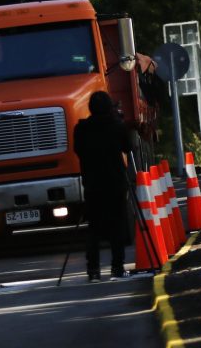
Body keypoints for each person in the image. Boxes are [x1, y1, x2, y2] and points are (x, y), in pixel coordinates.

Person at [73, 91, 131, 282]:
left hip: (93, 185)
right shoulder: (117, 126)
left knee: (94, 229)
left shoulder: (81, 129)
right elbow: (128, 147)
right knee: (117, 226)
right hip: (115, 183)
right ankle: (117, 266)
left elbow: (78, 150)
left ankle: (93, 269)